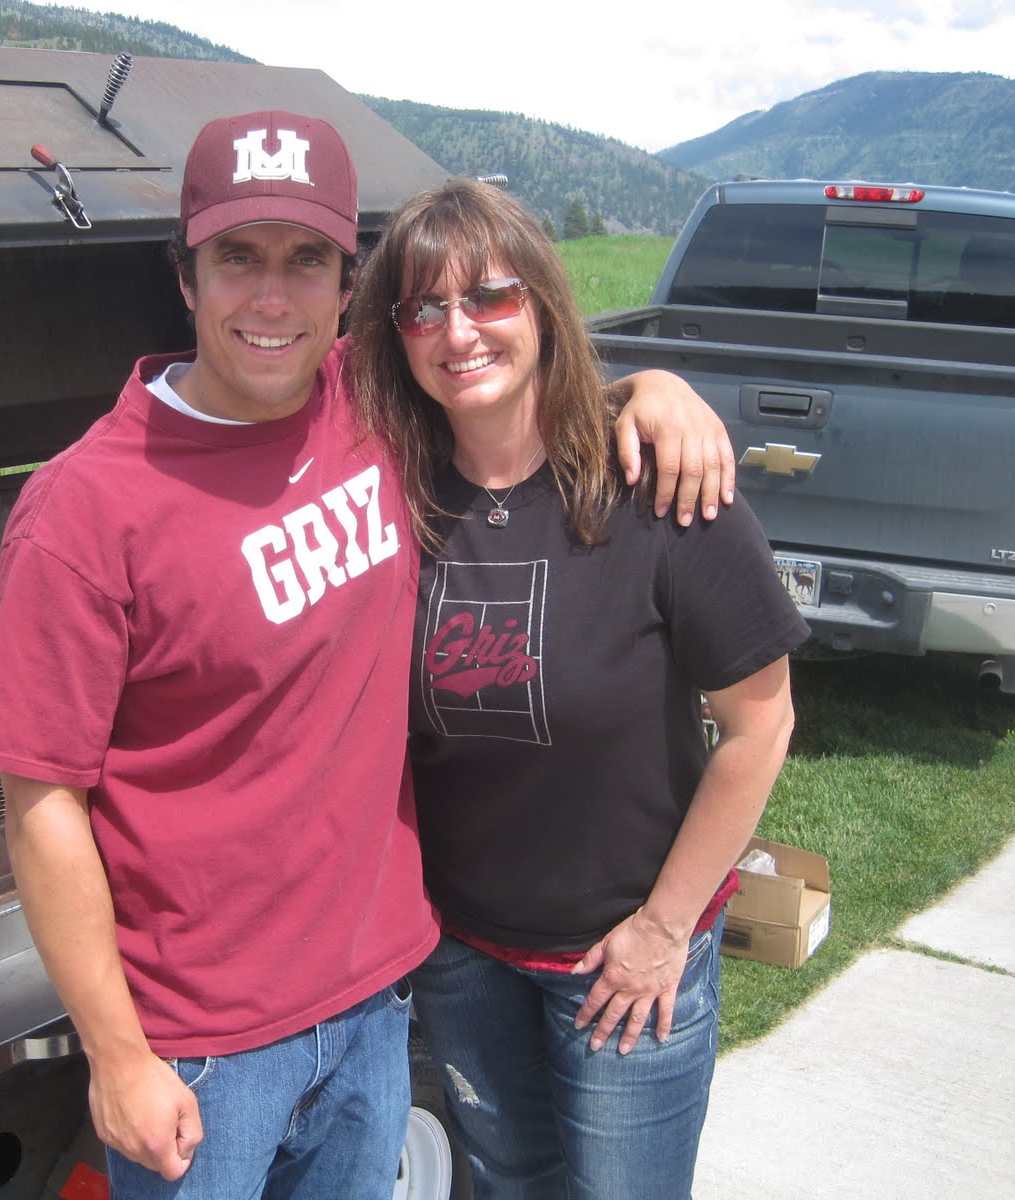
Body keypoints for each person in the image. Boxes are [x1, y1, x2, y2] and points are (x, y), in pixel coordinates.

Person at [0, 112, 734, 1200]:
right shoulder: (85, 511)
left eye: (306, 261)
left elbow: (504, 391)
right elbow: (41, 802)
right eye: (238, 259)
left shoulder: (367, 401)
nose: (272, 299)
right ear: (184, 278)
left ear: (344, 284)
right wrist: (117, 1054)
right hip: (204, 1050)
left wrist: (648, 392)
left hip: (378, 1005)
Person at [346, 177, 809, 1199]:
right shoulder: (388, 493)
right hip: (461, 954)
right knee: (510, 1183)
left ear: (544, 304)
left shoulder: (660, 487)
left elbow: (760, 725)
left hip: (624, 964)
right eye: (424, 308)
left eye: (489, 296)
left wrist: (663, 932)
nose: (458, 331)